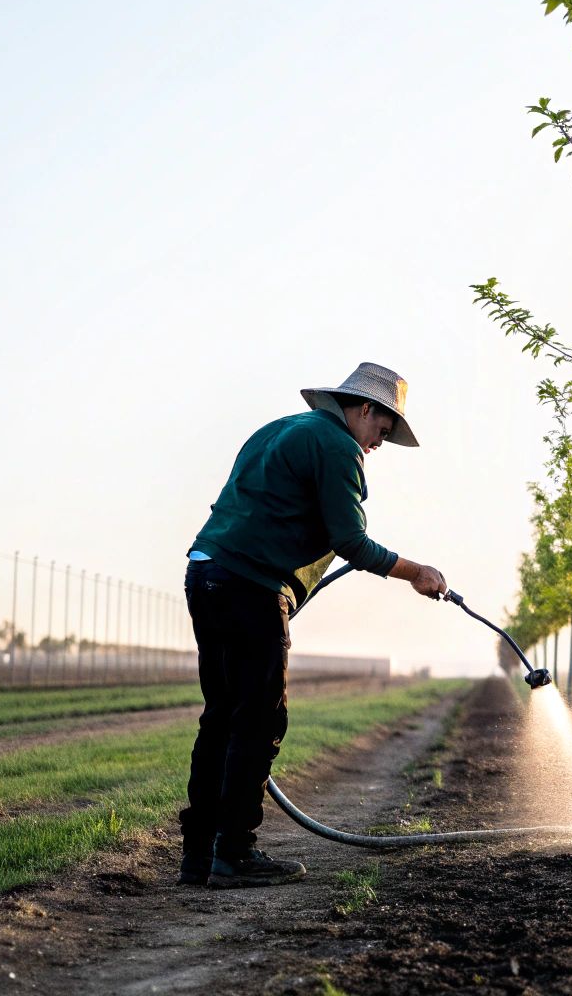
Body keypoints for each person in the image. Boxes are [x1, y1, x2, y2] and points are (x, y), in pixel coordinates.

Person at [178, 362, 447, 888]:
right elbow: (351, 542)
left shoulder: (279, 430)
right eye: (382, 430)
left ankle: (199, 854)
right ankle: (234, 854)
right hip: (251, 586)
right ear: (364, 409)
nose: (379, 443)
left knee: (222, 718)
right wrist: (417, 572)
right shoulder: (338, 447)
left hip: (206, 573)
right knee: (259, 719)